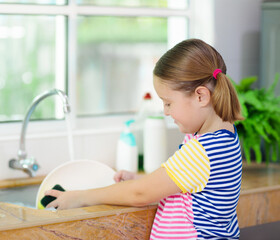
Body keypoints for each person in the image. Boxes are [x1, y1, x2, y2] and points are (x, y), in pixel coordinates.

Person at [45, 38, 244, 239]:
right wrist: (146, 180)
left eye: (168, 103)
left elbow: (140, 194)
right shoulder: (225, 138)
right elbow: (191, 189)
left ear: (201, 96)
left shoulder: (201, 150)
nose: (166, 112)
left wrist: (80, 197)